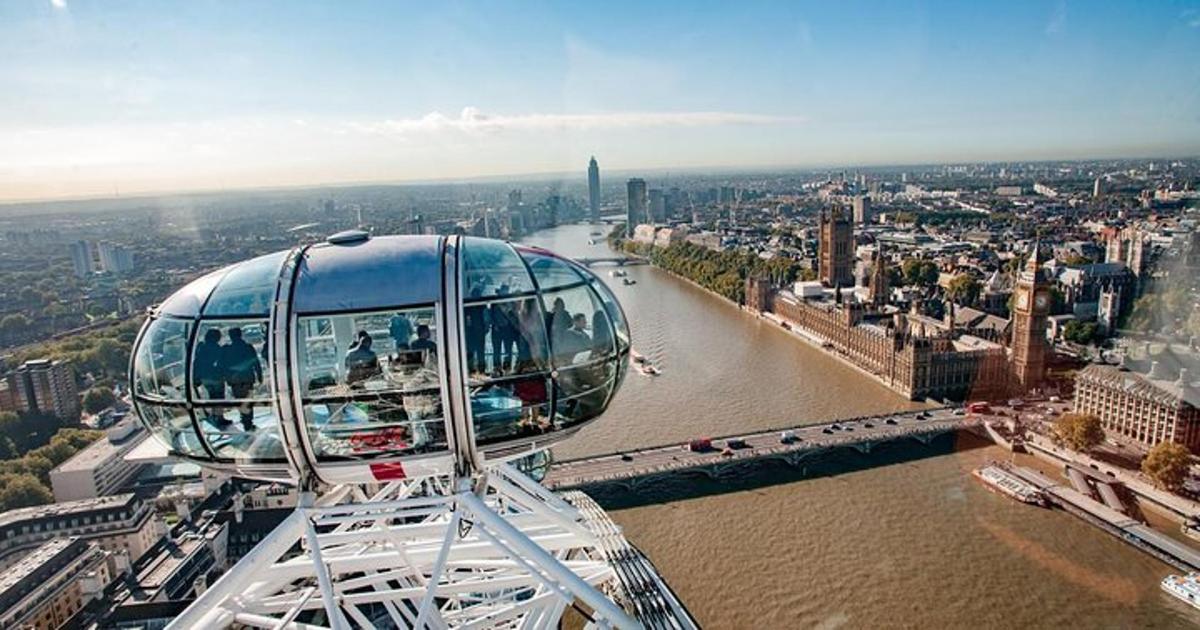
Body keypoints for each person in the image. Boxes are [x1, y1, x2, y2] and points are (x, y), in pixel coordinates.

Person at [219, 327, 262, 430]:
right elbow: (255, 362)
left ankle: (245, 420)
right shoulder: (248, 347)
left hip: (234, 380)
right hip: (247, 379)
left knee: (240, 400)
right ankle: (248, 422)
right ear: (240, 335)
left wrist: (226, 377)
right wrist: (259, 375)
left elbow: (222, 365)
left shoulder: (227, 349)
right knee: (248, 400)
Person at [194, 329, 225, 421]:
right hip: (215, 377)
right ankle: (219, 417)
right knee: (219, 397)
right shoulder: (217, 348)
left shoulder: (201, 348)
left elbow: (197, 362)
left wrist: (196, 377)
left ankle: (214, 415)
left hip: (204, 377)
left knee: (212, 396)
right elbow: (221, 363)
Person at [464, 287, 489, 374]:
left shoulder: (467, 305)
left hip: (473, 333)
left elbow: (486, 318)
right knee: (477, 352)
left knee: (475, 352)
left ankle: (475, 370)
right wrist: (485, 329)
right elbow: (486, 319)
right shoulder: (479, 305)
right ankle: (477, 370)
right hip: (476, 332)